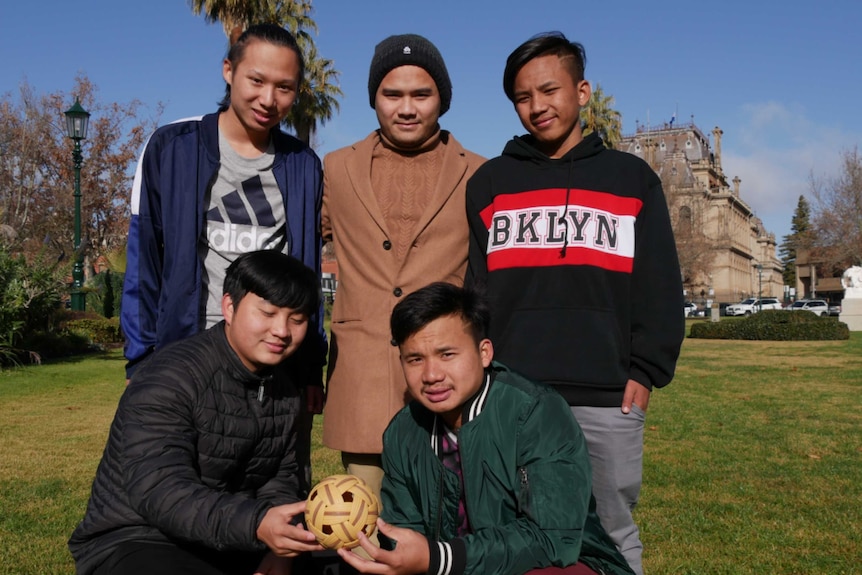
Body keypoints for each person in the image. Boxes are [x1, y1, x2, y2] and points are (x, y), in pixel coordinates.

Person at [465, 32, 684, 575]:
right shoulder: (491, 182)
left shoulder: (633, 179)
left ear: (582, 91)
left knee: (610, 529)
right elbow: (477, 290)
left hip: (608, 394)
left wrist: (647, 367)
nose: (537, 107)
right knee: (509, 528)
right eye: (522, 97)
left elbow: (659, 284)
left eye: (549, 90)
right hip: (512, 393)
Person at [119, 23, 326, 493]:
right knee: (175, 488)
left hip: (277, 364)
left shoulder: (302, 164)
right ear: (229, 71)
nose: (268, 99)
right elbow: (144, 260)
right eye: (256, 80)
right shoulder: (171, 148)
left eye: (285, 87)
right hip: (188, 352)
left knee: (271, 492)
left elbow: (306, 273)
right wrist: (141, 362)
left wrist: (311, 367)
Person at [337, 282, 634, 575]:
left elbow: (552, 539)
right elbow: (405, 533)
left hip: (559, 565)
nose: (431, 374)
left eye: (447, 355)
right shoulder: (403, 432)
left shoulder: (536, 413)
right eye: (415, 359)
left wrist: (440, 558)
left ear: (484, 353)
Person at [69, 251, 325, 575]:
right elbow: (161, 490)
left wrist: (281, 549)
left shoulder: (285, 386)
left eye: (297, 320)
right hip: (140, 537)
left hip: (235, 536)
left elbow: (281, 478)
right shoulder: (171, 377)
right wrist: (256, 525)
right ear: (229, 307)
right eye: (267, 313)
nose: (282, 330)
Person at [321, 33, 485, 499]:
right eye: (392, 94)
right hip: (362, 376)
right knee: (362, 528)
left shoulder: (478, 172)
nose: (406, 108)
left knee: (448, 525)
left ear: (443, 100)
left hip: (445, 381)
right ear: (374, 98)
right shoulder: (336, 168)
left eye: (421, 94)